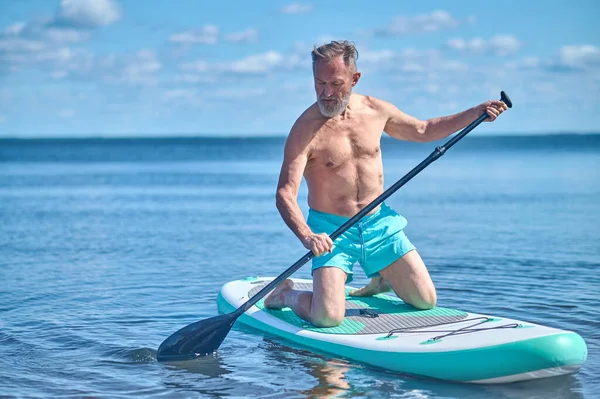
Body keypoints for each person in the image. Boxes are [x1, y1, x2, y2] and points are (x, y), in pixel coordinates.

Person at [265, 40, 508, 327]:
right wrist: (308, 236)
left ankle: (380, 278)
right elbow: (285, 194)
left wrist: (475, 113)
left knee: (425, 300)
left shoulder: (375, 111)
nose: (327, 92)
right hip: (332, 233)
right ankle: (287, 296)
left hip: (378, 225)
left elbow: (423, 130)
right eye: (319, 83)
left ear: (355, 79)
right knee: (327, 317)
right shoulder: (305, 129)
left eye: (335, 83)